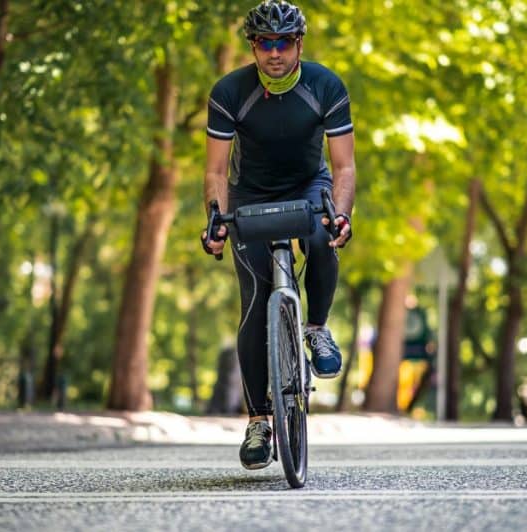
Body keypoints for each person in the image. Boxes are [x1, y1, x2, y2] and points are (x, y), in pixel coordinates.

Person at [202, 0, 355, 470]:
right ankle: (258, 421)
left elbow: (345, 165)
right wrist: (215, 220)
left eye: (283, 43)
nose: (274, 53)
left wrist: (343, 214)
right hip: (249, 193)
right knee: (254, 299)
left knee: (322, 232)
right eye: (265, 43)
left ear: (298, 44)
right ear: (252, 46)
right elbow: (215, 170)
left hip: (309, 185)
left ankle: (317, 328)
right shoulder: (230, 92)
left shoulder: (325, 85)